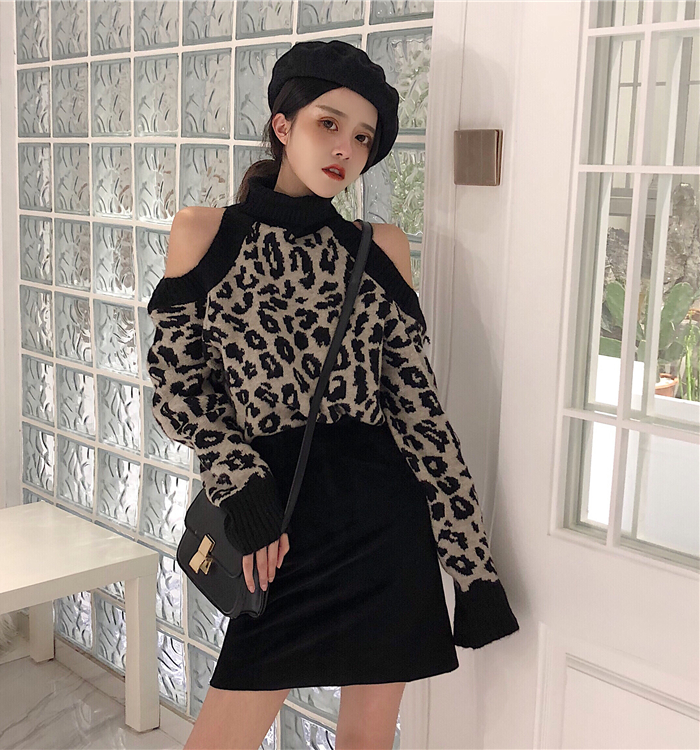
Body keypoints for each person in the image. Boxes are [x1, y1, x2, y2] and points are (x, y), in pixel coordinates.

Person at [146, 40, 520, 750]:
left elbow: (420, 417)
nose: (346, 148)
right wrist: (239, 479)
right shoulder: (206, 233)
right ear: (282, 125)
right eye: (329, 123)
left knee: (367, 743)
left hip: (383, 528)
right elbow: (179, 390)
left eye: (363, 137)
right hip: (276, 523)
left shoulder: (379, 248)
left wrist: (472, 569)